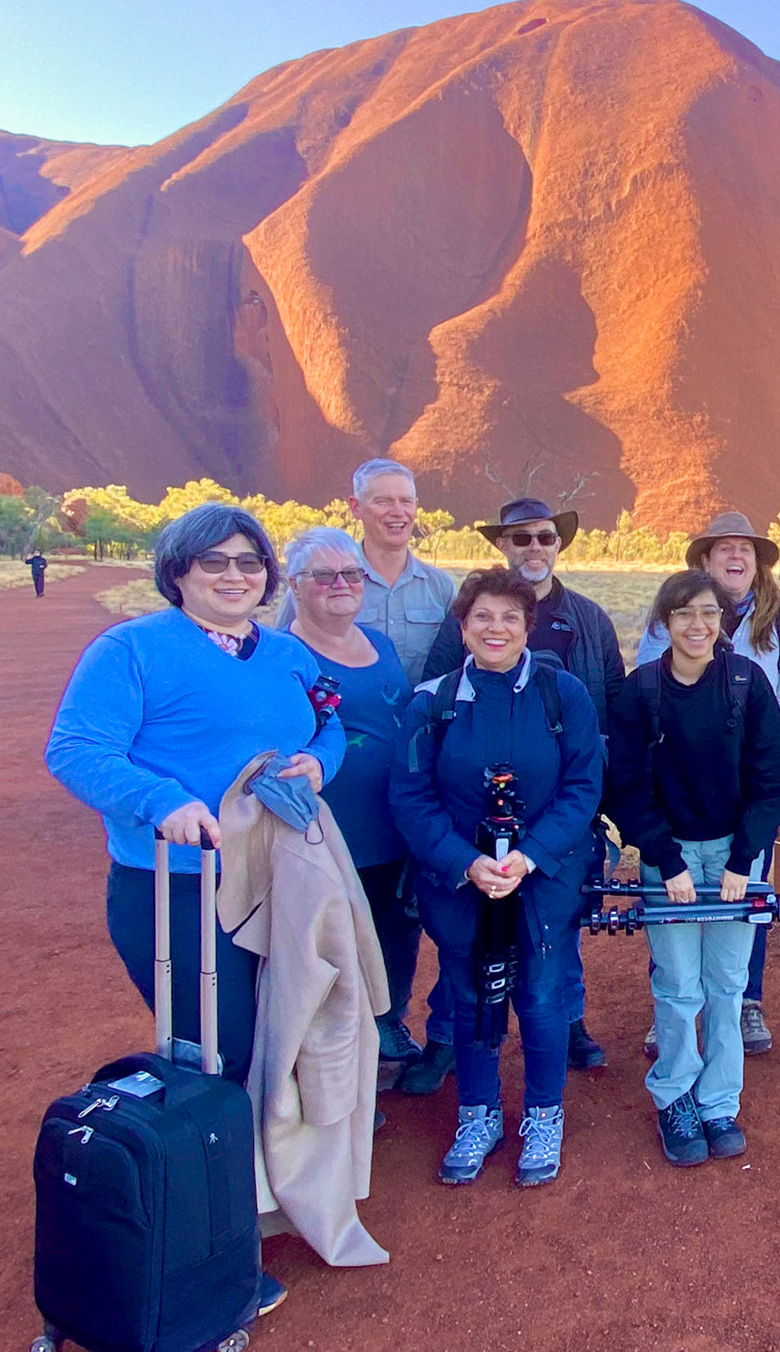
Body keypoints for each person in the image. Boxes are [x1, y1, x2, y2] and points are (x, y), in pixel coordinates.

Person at [45, 502, 344, 1319]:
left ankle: (255, 1200)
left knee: (273, 1041)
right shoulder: (131, 650)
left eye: (250, 562)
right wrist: (162, 799)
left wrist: (319, 762)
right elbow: (75, 748)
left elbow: (330, 723)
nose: (236, 575)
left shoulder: (285, 654)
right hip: (174, 886)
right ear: (178, 571)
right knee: (218, 1053)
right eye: (215, 562)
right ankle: (210, 1243)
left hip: (274, 877)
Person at [389, 568, 604, 1187]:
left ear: (527, 627)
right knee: (470, 995)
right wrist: (465, 862)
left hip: (543, 876)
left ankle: (543, 1113)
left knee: (540, 995)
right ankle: (478, 1115)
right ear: (462, 626)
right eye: (482, 616)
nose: (496, 628)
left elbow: (584, 785)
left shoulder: (563, 696)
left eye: (510, 617)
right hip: (460, 880)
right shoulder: (431, 703)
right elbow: (411, 795)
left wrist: (529, 855)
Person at [413, 496, 625, 1089]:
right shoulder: (472, 616)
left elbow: (612, 696)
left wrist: (595, 790)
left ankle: (569, 1022)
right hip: (470, 812)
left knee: (554, 932)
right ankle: (450, 1036)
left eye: (544, 538)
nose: (535, 547)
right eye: (521, 539)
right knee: (465, 935)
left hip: (565, 796)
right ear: (503, 546)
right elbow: (435, 694)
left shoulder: (588, 618)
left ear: (558, 545)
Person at [608, 570, 780, 1167]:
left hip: (735, 851)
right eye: (684, 614)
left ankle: (718, 1101)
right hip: (674, 856)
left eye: (708, 613)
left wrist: (744, 857)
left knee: (728, 984)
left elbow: (772, 778)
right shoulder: (642, 692)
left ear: (722, 621)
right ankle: (675, 1096)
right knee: (679, 984)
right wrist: (665, 860)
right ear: (664, 622)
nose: (697, 625)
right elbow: (628, 787)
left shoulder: (746, 683)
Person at [635, 512, 780, 1057]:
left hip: (751, 789)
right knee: (675, 897)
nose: (736, 557)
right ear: (705, 560)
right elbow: (649, 694)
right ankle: (674, 1011)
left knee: (747, 893)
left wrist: (769, 767)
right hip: (682, 789)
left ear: (757, 563)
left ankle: (745, 1002)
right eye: (724, 548)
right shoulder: (674, 613)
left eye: (746, 550)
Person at [281, 526, 420, 1076]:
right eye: (324, 576)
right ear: (295, 584)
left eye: (352, 574)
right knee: (336, 935)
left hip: (395, 816)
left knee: (396, 923)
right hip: (332, 824)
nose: (341, 584)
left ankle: (389, 1024)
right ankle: (340, 1052)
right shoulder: (285, 654)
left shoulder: (378, 643)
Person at [275, 458, 454, 685]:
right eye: (383, 501)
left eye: (406, 501)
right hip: (334, 716)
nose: (398, 512)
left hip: (421, 717)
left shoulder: (441, 587)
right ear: (355, 507)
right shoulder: (319, 582)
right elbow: (281, 652)